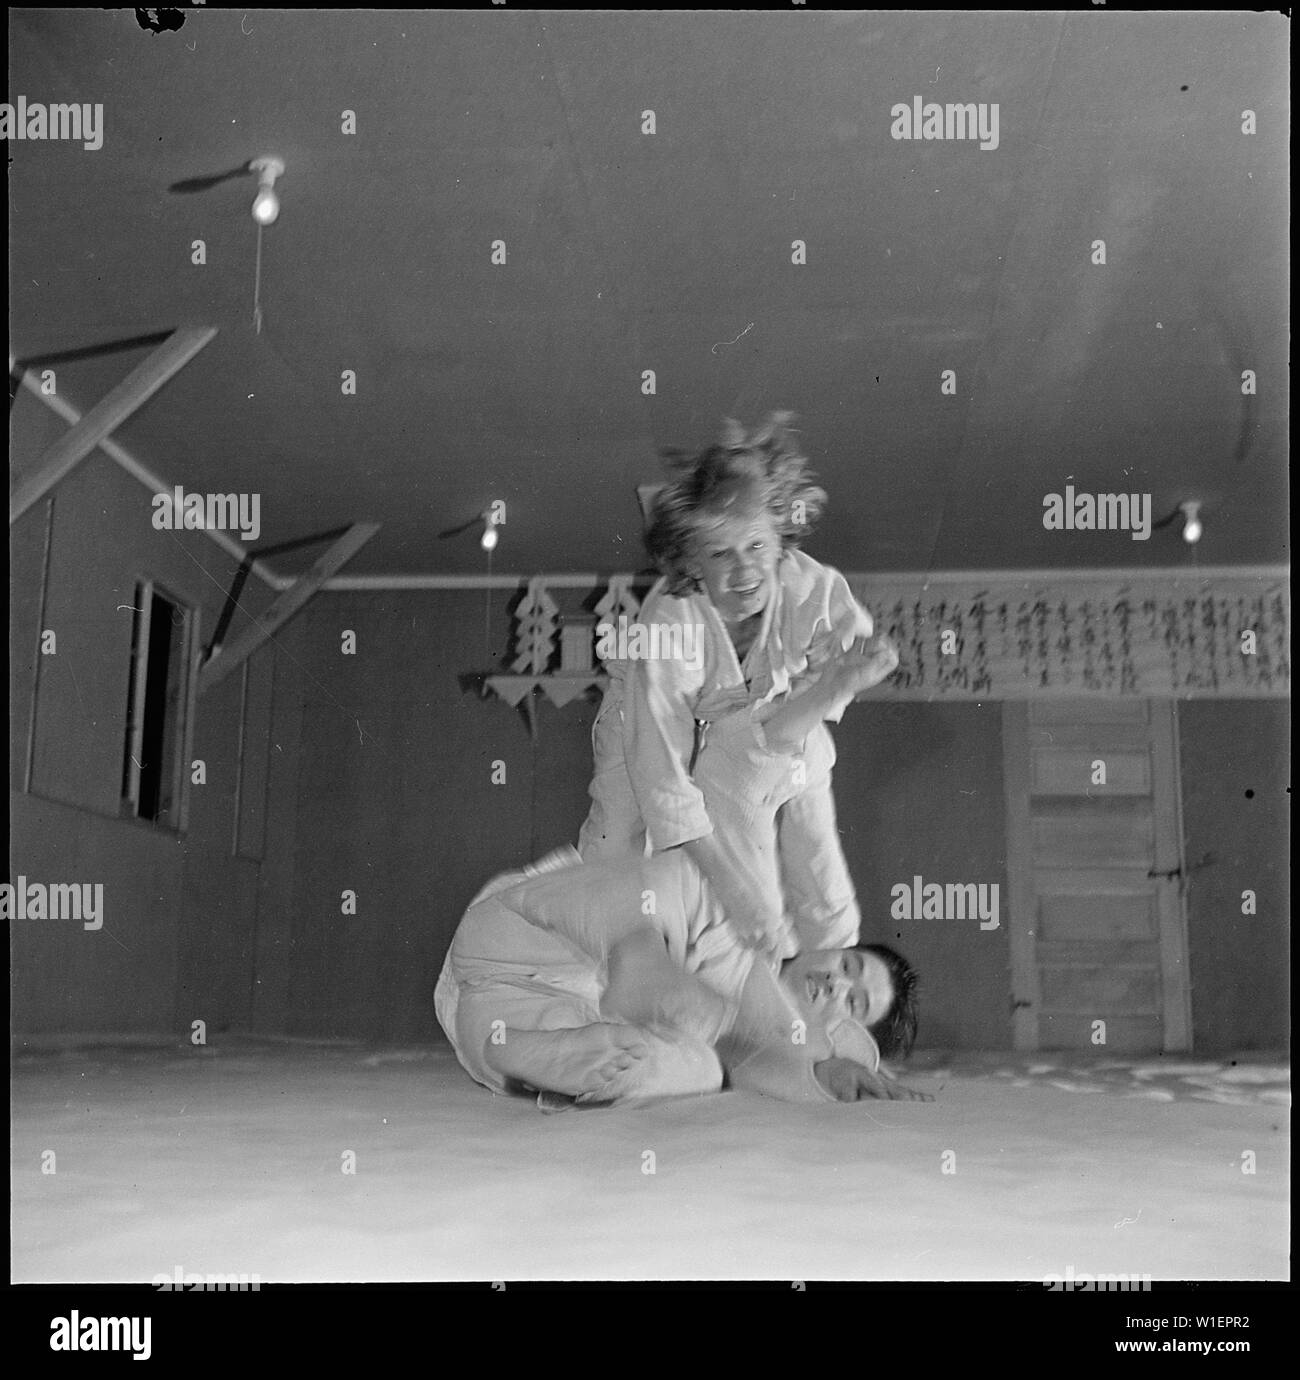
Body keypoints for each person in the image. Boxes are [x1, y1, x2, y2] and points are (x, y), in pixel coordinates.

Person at [578, 413, 899, 962]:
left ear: (780, 541)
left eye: (754, 546)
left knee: (807, 785)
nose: (743, 570)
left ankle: (830, 961)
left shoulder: (813, 590)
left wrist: (853, 668)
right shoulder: (669, 623)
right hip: (650, 721)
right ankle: (617, 964)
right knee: (620, 830)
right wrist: (743, 901)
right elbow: (664, 778)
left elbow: (845, 656)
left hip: (763, 714)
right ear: (692, 565)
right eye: (720, 554)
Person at [434, 846, 928, 1108]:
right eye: (848, 965)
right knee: (665, 886)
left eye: (852, 1002)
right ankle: (643, 972)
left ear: (837, 1031)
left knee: (703, 1071)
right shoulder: (752, 920)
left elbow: (757, 1064)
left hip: (490, 1016)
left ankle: (518, 1055)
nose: (836, 984)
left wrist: (828, 1074)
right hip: (523, 931)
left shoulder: (765, 1033)